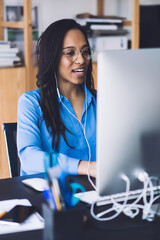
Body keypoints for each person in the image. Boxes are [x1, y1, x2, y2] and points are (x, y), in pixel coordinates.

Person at [17, 19, 96, 177]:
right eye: (70, 53)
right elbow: (29, 158)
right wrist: (85, 167)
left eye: (85, 51)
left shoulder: (104, 101)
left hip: (98, 193)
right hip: (50, 197)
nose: (81, 60)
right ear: (53, 57)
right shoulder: (31, 102)